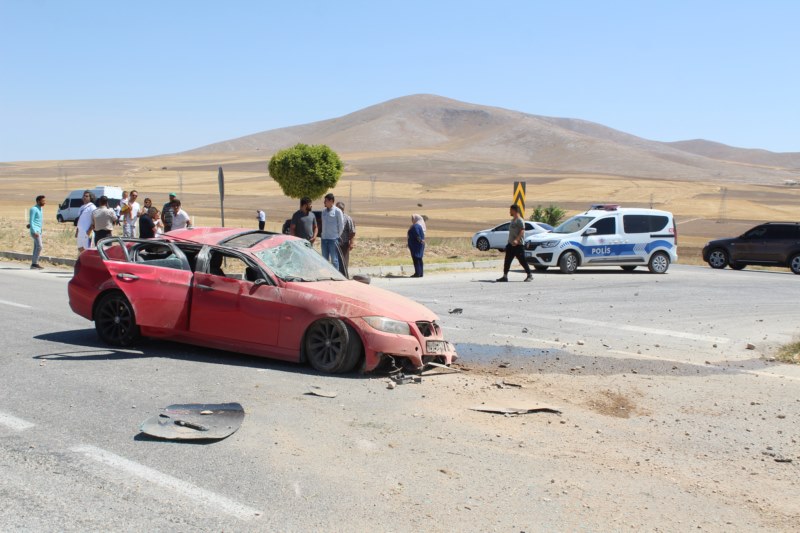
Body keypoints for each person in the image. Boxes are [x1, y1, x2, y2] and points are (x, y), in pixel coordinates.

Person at [496, 204, 533, 282]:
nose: (509, 212)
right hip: (511, 244)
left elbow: (522, 230)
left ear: (514, 210)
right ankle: (505, 276)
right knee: (507, 260)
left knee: (522, 260)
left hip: (518, 245)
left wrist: (517, 240)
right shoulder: (513, 220)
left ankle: (529, 275)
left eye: (510, 210)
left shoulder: (520, 220)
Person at [320, 193, 344, 270]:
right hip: (324, 239)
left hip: (333, 240)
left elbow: (341, 226)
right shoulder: (323, 212)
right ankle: (326, 276)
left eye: (326, 201)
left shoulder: (338, 211)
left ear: (331, 201)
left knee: (334, 260)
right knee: (324, 260)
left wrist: (336, 236)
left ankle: (336, 277)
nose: (324, 202)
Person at [336, 201, 356, 271]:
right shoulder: (333, 217)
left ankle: (344, 277)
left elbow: (352, 232)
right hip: (334, 243)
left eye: (338, 209)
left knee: (344, 262)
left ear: (342, 210)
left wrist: (351, 243)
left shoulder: (347, 218)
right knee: (335, 262)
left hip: (344, 244)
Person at [28, 195, 46, 269]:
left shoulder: (40, 209)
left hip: (39, 230)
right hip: (35, 231)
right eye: (43, 201)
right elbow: (31, 220)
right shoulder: (34, 209)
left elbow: (36, 220)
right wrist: (34, 230)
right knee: (40, 246)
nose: (45, 202)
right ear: (38, 201)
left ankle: (34, 263)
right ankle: (34, 263)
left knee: (36, 247)